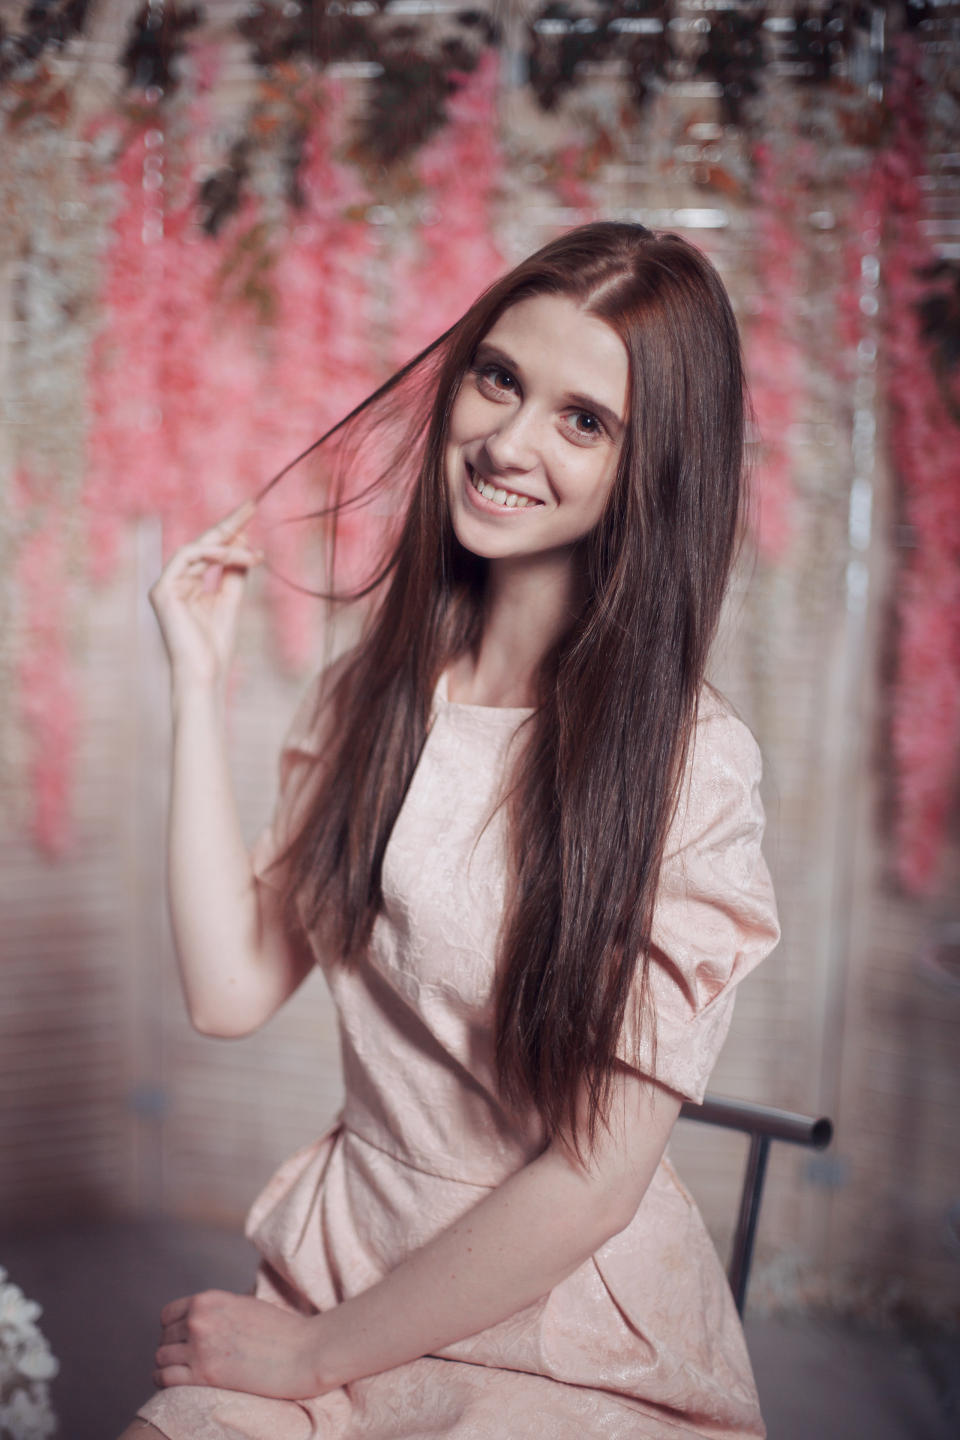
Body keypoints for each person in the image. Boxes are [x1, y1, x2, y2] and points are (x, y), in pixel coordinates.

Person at [122, 221, 780, 1440]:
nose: (510, 443)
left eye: (584, 421)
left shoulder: (690, 764)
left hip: (565, 1324)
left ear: (654, 467)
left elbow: (593, 1185)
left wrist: (310, 1356)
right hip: (347, 1263)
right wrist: (198, 686)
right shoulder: (372, 695)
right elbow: (227, 988)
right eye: (499, 378)